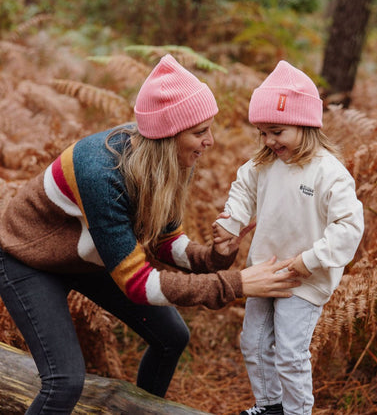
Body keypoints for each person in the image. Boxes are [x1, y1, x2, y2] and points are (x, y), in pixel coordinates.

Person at [0, 54, 300, 414]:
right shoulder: (102, 171)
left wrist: (214, 256)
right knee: (65, 382)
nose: (211, 141)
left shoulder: (166, 159)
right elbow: (138, 286)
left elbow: (165, 240)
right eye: (200, 132)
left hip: (89, 254)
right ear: (169, 135)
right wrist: (236, 283)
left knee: (172, 337)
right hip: (28, 260)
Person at [213, 60, 365, 415]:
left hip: (304, 277)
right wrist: (232, 222)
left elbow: (348, 227)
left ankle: (297, 412)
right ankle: (270, 406)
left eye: (277, 131)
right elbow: (242, 191)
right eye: (262, 132)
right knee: (252, 343)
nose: (268, 141)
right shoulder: (262, 164)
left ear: (305, 124)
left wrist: (308, 260)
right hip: (265, 270)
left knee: (290, 353)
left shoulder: (329, 172)